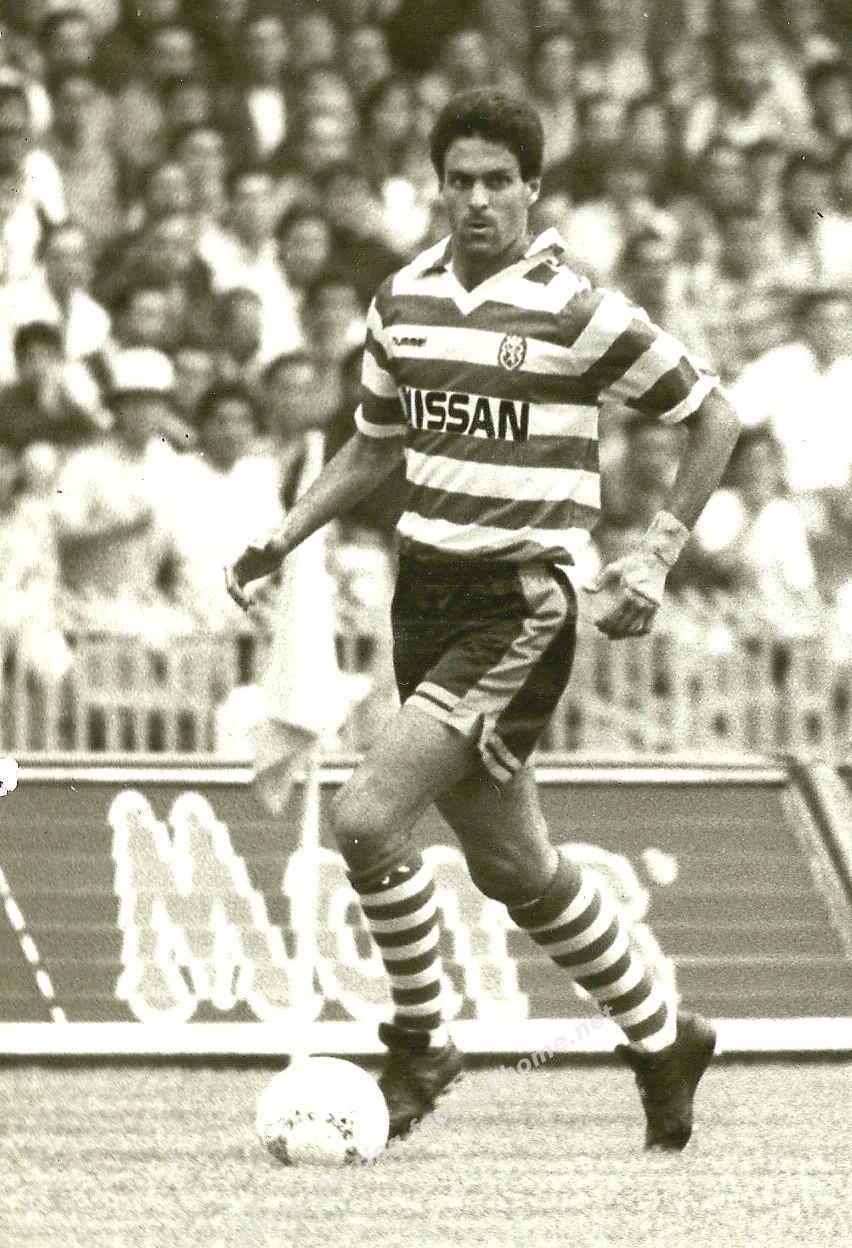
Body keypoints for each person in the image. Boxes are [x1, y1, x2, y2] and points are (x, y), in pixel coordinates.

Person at [226, 89, 741, 1152]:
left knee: (367, 819)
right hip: (424, 594)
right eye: (458, 180)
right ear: (437, 186)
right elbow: (374, 445)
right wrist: (287, 533)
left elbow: (714, 416)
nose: (476, 200)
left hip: (519, 608)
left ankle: (422, 1041)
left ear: (532, 188)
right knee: (515, 867)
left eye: (497, 181)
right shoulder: (402, 299)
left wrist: (654, 553)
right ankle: (663, 1036)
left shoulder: (576, 310)